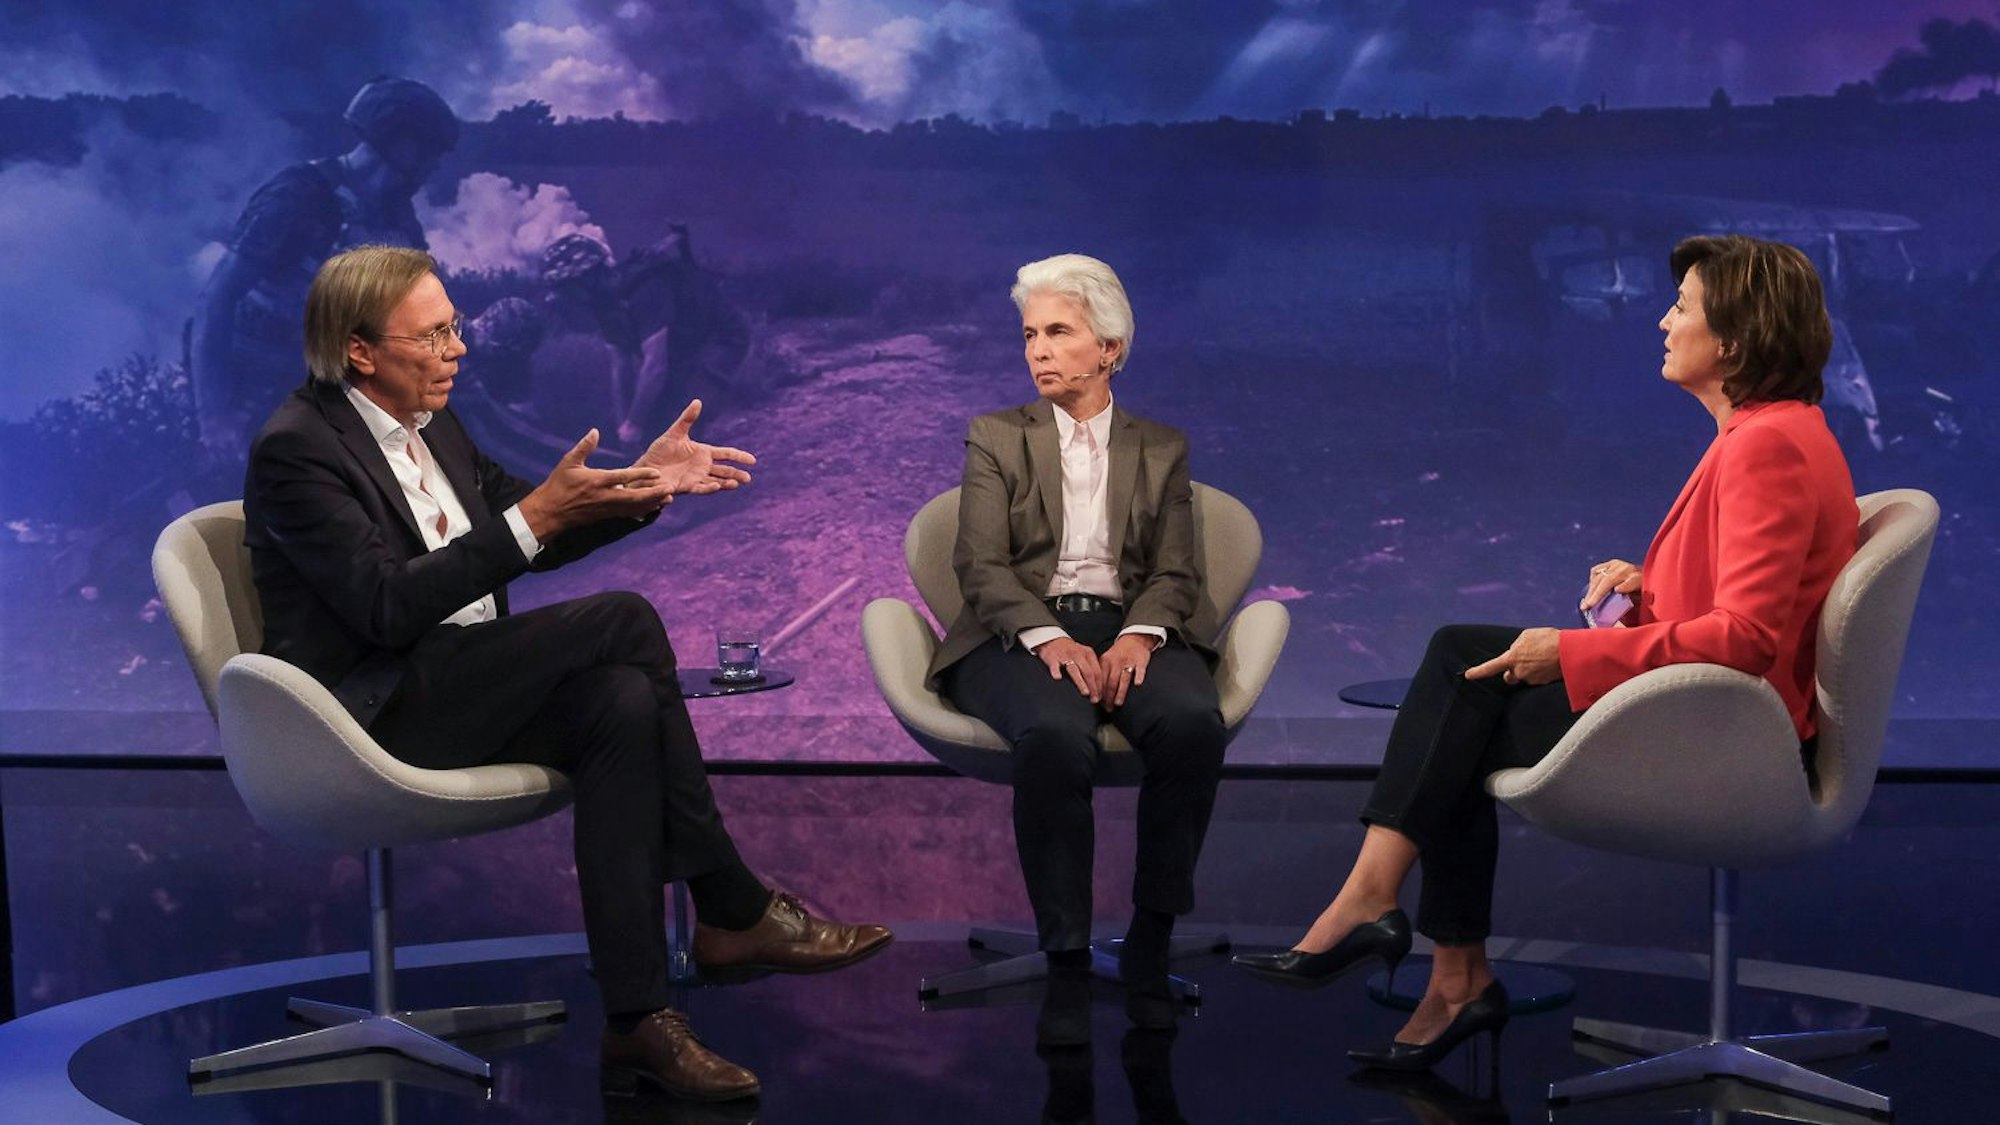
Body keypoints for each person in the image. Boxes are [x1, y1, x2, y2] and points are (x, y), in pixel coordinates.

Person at [244, 245, 891, 1101]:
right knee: (623, 618)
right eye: (433, 337)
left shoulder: (435, 421)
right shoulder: (298, 450)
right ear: (360, 350)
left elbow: (540, 518)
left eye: (456, 328)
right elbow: (386, 610)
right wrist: (534, 516)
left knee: (619, 702)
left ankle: (638, 1023)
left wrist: (644, 486)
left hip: (464, 684)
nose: (458, 351)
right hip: (374, 710)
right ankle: (732, 905)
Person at [1234, 234, 1859, 1072]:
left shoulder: (1765, 445)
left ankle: (1393, 920)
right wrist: (1646, 586)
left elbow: (1746, 639)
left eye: (1682, 307)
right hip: (1715, 706)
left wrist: (1568, 652)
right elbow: (1747, 599)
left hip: (1732, 737)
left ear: (1735, 341)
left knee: (1465, 699)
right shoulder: (1775, 430)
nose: (1664, 322)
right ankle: (1436, 964)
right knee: (1463, 667)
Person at [929, 254, 1228, 1045]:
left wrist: (1137, 633)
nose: (1038, 350)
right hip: (1015, 630)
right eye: (1030, 334)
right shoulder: (996, 435)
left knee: (1195, 721)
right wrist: (1049, 636)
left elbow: (1176, 572)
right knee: (1057, 734)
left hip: (1130, 623)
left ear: (1110, 350)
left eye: (1059, 332)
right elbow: (980, 566)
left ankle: (1152, 934)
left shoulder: (1162, 447)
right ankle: (1063, 950)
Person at [193, 78, 458, 467]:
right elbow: (219, 297)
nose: (432, 165)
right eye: (428, 150)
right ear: (399, 141)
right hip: (251, 385)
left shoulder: (395, 216)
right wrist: (214, 416)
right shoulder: (300, 195)